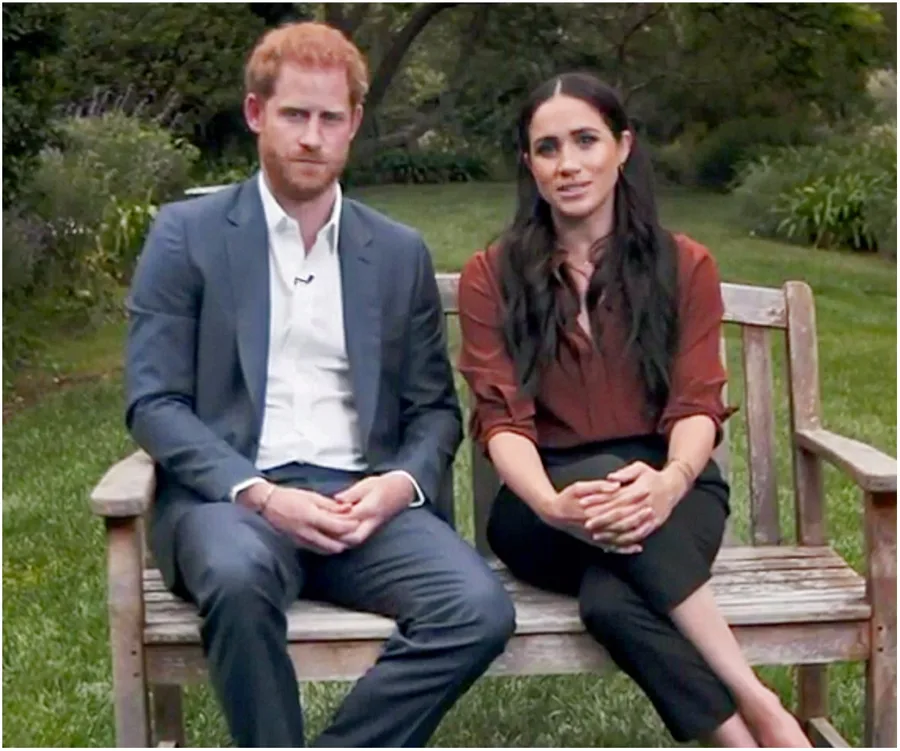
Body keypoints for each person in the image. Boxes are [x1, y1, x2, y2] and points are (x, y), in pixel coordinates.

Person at [125, 21, 514, 748]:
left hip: (362, 503)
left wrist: (396, 485)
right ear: (256, 113)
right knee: (237, 578)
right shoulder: (187, 235)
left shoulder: (396, 253)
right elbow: (154, 402)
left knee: (476, 608)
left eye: (330, 118)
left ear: (354, 123)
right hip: (235, 501)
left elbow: (434, 410)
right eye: (294, 115)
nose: (312, 137)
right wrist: (261, 494)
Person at [457, 71, 810, 748]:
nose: (568, 163)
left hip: (673, 488)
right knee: (601, 479)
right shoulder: (491, 275)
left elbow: (697, 401)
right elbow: (502, 419)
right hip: (545, 507)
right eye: (548, 148)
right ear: (529, 165)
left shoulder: (685, 265)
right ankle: (760, 701)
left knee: (610, 602)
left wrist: (671, 482)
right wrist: (552, 504)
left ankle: (740, 741)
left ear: (622, 147)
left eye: (586, 140)